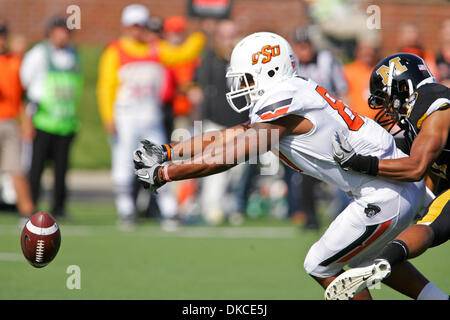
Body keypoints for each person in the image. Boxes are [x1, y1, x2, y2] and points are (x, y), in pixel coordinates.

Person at [132, 32, 429, 299]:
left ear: (269, 71)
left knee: (321, 264)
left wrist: (165, 173)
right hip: (392, 186)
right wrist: (168, 151)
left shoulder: (284, 100)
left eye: (247, 78)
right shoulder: (293, 91)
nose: (242, 87)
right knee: (366, 260)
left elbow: (229, 155)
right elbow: (229, 136)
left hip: (387, 191)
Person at [328, 53, 449, 300]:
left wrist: (361, 163)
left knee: (429, 225)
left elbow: (416, 166)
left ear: (403, 86)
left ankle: (382, 262)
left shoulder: (436, 104)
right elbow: (432, 173)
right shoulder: (424, 112)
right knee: (430, 224)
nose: (388, 106)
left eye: (387, 96)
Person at [97, 4, 177, 230]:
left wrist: (201, 32)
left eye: (141, 26)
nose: (137, 30)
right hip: (126, 116)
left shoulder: (156, 48)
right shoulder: (115, 50)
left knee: (159, 162)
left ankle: (169, 210)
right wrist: (108, 117)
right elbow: (106, 86)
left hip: (151, 116)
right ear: (125, 27)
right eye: (133, 26)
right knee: (123, 163)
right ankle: (126, 210)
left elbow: (182, 54)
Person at [187, 19, 250, 224]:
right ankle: (212, 208)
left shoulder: (246, 60)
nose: (229, 41)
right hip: (215, 123)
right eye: (225, 37)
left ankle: (232, 207)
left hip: (241, 124)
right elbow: (196, 84)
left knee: (238, 172)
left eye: (233, 36)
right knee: (217, 169)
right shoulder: (210, 59)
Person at [20, 16, 82, 219]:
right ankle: (30, 205)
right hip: (43, 120)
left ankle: (59, 207)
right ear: (51, 32)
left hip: (65, 122)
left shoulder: (73, 54)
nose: (64, 35)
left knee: (62, 169)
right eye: (60, 31)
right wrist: (27, 118)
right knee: (36, 167)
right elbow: (25, 84)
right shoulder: (39, 54)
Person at [289, 27, 349, 229]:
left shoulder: (327, 60)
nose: (304, 50)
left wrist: (346, 123)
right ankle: (310, 218)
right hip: (306, 128)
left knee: (345, 168)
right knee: (306, 174)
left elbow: (342, 90)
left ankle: (346, 214)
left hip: (332, 123)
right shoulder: (293, 65)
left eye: (306, 45)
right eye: (300, 46)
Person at [0, 19, 35, 222]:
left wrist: (26, 122)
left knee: (16, 168)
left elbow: (22, 96)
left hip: (9, 122)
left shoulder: (15, 62)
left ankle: (26, 211)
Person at [343, 40, 380, 119]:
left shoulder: (381, 70)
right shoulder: (348, 71)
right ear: (358, 52)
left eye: (370, 50)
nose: (368, 53)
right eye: (364, 50)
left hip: (384, 121)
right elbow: (344, 96)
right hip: (359, 121)